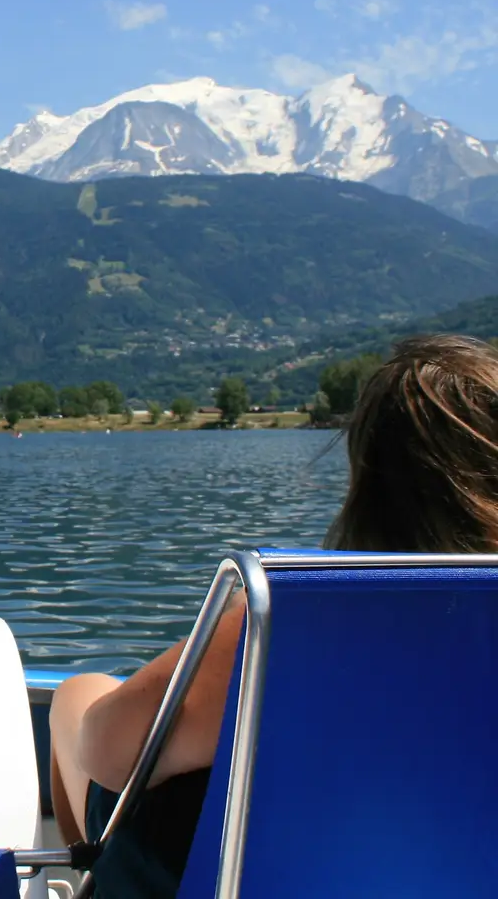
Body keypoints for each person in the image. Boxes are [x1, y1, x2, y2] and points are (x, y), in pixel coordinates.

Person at [49, 333, 498, 897]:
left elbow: (107, 755)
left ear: (367, 478)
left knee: (79, 697)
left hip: (274, 877)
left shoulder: (291, 615)